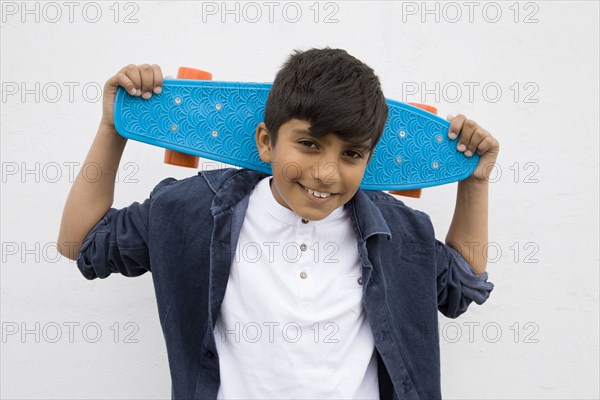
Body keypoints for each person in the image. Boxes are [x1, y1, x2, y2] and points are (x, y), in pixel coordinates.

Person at [57, 48, 499, 399]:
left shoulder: (399, 229)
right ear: (266, 141)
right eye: (308, 145)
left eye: (351, 155)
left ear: (369, 157)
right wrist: (114, 126)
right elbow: (81, 242)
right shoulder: (191, 209)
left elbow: (462, 286)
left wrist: (475, 183)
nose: (326, 173)